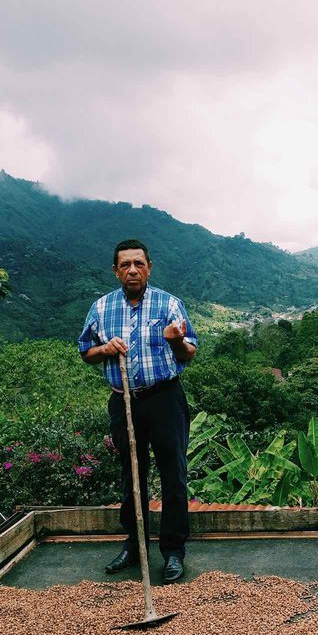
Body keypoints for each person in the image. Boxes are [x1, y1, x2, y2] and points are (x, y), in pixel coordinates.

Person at [78, 239, 198, 583]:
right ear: (116, 271)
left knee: (173, 473)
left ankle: (173, 552)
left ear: (149, 267)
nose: (133, 270)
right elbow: (86, 351)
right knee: (132, 474)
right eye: (125, 264)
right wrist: (105, 348)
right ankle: (135, 545)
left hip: (165, 398)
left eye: (139, 264)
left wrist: (176, 339)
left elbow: (188, 353)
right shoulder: (101, 308)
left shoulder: (169, 304)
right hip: (124, 400)